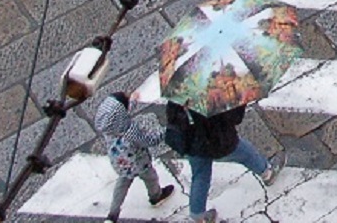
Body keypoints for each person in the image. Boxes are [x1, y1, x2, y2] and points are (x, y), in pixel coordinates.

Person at [164, 101, 278, 223]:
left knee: (200, 177)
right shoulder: (218, 96)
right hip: (219, 141)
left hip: (192, 144)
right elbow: (236, 118)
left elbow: (172, 117)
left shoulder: (179, 93)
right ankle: (267, 173)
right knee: (247, 154)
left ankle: (197, 216)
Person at [92, 92, 175, 222]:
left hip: (121, 164)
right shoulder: (129, 130)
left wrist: (133, 101)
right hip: (139, 162)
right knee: (151, 178)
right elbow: (149, 141)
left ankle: (112, 214)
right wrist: (167, 131)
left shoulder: (108, 127)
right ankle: (156, 196)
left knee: (121, 186)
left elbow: (122, 114)